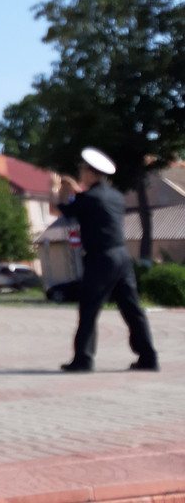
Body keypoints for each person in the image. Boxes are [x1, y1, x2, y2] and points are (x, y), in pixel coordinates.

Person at [53, 147, 158, 373]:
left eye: (83, 169)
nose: (81, 173)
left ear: (91, 173)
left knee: (89, 309)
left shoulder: (88, 198)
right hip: (122, 257)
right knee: (132, 309)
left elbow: (60, 211)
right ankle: (148, 357)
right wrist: (77, 192)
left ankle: (83, 359)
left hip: (100, 259)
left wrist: (64, 190)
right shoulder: (116, 196)